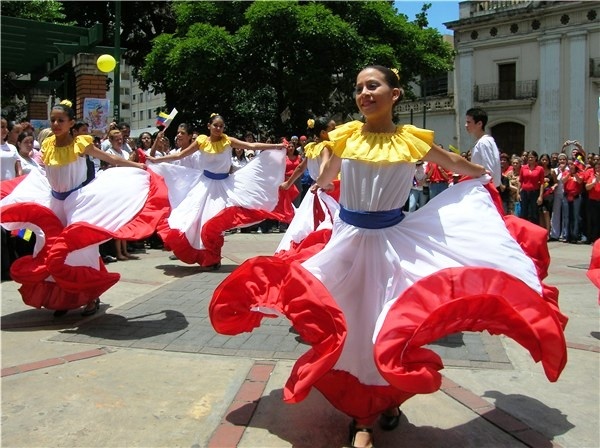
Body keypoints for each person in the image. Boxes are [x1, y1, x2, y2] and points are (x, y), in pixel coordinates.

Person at [209, 66, 566, 448]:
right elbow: (327, 177)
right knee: (351, 326)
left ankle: (381, 404)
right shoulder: (346, 136)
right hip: (348, 242)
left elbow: (455, 165)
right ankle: (363, 416)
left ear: (394, 94)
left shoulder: (412, 139)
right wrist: (317, 187)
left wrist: (482, 177)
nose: (364, 93)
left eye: (373, 86)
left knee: (384, 328)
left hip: (392, 244)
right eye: (359, 87)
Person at [0, 100, 169, 317]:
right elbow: (45, 173)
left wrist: (137, 165)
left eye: (61, 120)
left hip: (77, 203)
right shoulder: (48, 144)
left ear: (71, 122)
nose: (55, 124)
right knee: (48, 249)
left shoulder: (81, 144)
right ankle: (62, 297)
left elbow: (109, 158)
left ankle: (91, 296)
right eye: (53, 120)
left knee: (80, 249)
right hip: (53, 204)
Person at [146, 113, 286, 269]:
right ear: (209, 126)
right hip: (204, 186)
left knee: (216, 224)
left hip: (225, 186)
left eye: (221, 126)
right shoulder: (201, 142)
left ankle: (214, 257)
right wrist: (157, 160)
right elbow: (179, 154)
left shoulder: (228, 141)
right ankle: (208, 257)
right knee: (196, 222)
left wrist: (275, 146)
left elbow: (252, 146)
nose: (218, 128)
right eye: (215, 125)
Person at [465, 107, 501, 188]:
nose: (466, 125)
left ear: (479, 124)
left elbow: (489, 171)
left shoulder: (483, 142)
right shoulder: (482, 141)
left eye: (469, 122)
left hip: (485, 189)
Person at [519, 150, 545, 226]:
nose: (530, 159)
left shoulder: (540, 168)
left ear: (536, 158)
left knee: (534, 213)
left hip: (534, 192)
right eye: (529, 157)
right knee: (523, 212)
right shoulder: (523, 168)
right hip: (524, 192)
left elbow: (542, 183)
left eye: (532, 157)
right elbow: (520, 181)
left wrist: (540, 196)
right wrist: (518, 193)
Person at [539, 153, 557, 237]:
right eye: (543, 159)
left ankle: (548, 232)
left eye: (546, 160)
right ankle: (542, 231)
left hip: (548, 194)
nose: (544, 161)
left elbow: (556, 183)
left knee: (546, 212)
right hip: (540, 193)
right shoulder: (538, 169)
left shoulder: (552, 171)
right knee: (540, 213)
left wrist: (553, 187)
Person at [584, 160, 600, 244]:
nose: (597, 169)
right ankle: (592, 239)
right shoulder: (592, 177)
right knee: (593, 220)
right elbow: (587, 187)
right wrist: (594, 182)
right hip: (593, 201)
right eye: (596, 168)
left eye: (599, 168)